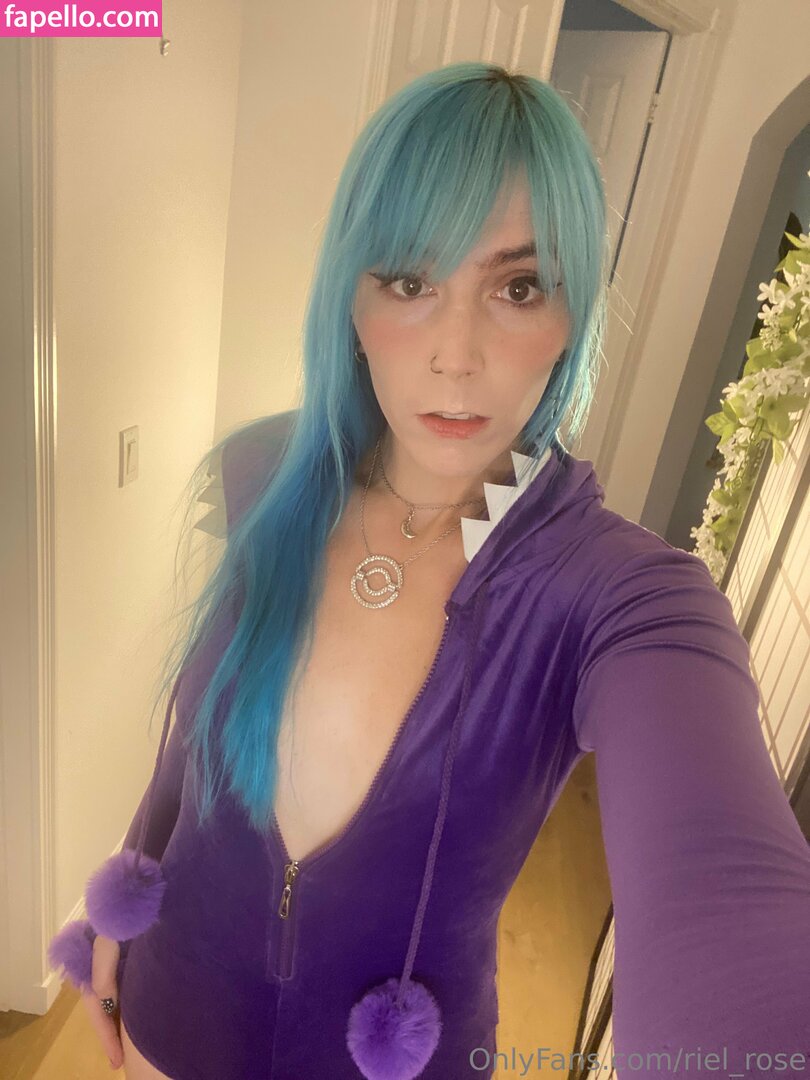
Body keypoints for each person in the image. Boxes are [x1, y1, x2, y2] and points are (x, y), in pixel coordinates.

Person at [48, 62, 810, 1080]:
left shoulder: (622, 598)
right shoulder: (264, 472)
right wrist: (127, 882)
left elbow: (723, 887)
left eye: (518, 287)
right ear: (352, 299)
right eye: (411, 282)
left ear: (572, 314)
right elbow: (199, 733)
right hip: (168, 1022)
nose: (456, 354)